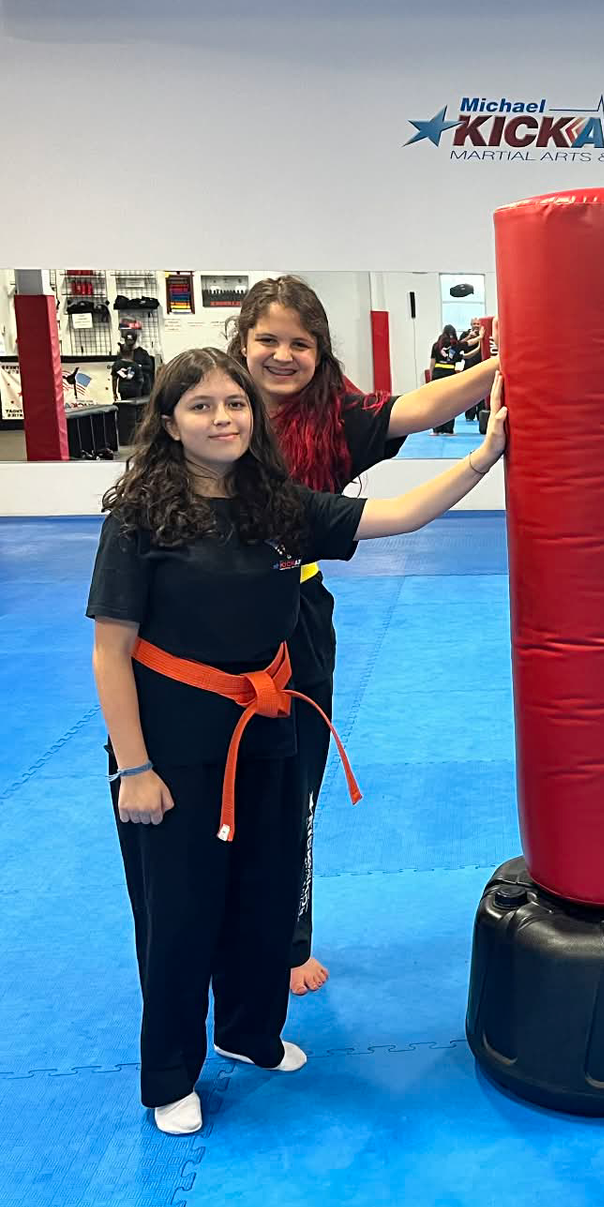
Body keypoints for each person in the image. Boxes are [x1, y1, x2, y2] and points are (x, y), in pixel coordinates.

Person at [88, 346, 507, 1136]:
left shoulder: (276, 506)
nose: (223, 419)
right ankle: (171, 1073)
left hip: (268, 727)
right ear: (171, 423)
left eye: (235, 404)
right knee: (179, 913)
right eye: (203, 406)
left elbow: (399, 515)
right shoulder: (139, 517)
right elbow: (112, 650)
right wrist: (134, 767)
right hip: (173, 745)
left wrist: (484, 456)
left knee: (266, 891)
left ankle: (249, 1034)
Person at [230, 275, 498, 996]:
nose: (283, 356)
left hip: (299, 614)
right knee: (217, 793)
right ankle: (220, 929)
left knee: (296, 791)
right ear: (242, 343)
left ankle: (289, 939)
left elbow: (420, 406)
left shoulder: (332, 420)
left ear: (320, 353)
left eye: (301, 343)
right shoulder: (219, 409)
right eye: (268, 340)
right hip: (210, 625)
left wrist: (509, 362)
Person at [429, 324, 465, 435]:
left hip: (437, 374)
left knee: (437, 402)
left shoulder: (436, 345)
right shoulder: (455, 345)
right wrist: (479, 339)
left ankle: (436, 430)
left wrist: (431, 378)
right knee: (450, 401)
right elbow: (467, 352)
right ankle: (449, 430)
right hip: (449, 374)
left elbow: (432, 363)